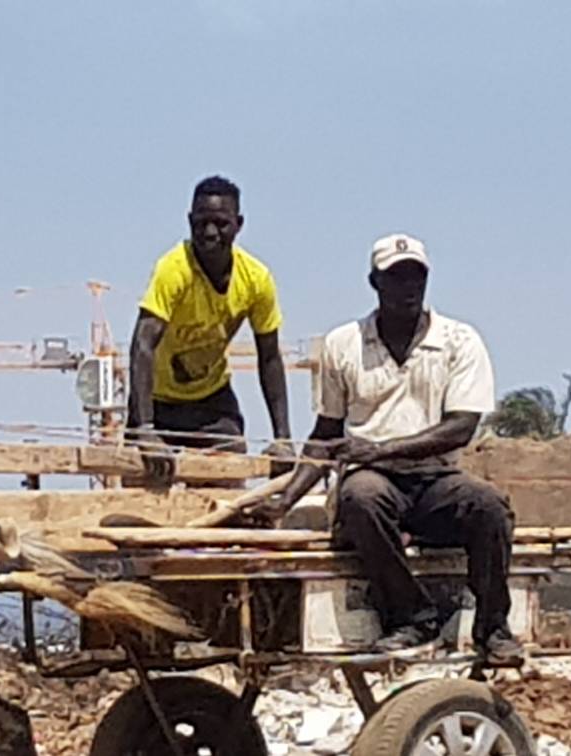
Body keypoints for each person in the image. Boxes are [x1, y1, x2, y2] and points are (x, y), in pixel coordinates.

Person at [256, 233, 522, 663]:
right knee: (360, 498)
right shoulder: (343, 344)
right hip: (375, 480)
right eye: (396, 278)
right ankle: (412, 618)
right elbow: (326, 433)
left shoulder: (459, 341)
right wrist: (286, 499)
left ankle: (493, 628)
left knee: (489, 506)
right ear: (374, 283)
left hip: (437, 478)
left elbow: (459, 429)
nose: (408, 288)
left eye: (416, 277)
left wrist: (378, 450)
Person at [127, 176, 294, 480]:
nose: (210, 232)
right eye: (201, 223)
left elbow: (269, 356)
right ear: (190, 221)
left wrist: (282, 439)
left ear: (239, 224)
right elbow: (142, 344)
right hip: (157, 402)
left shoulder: (256, 279)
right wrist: (145, 430)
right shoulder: (173, 269)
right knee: (142, 494)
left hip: (211, 402)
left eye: (221, 223)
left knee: (225, 487)